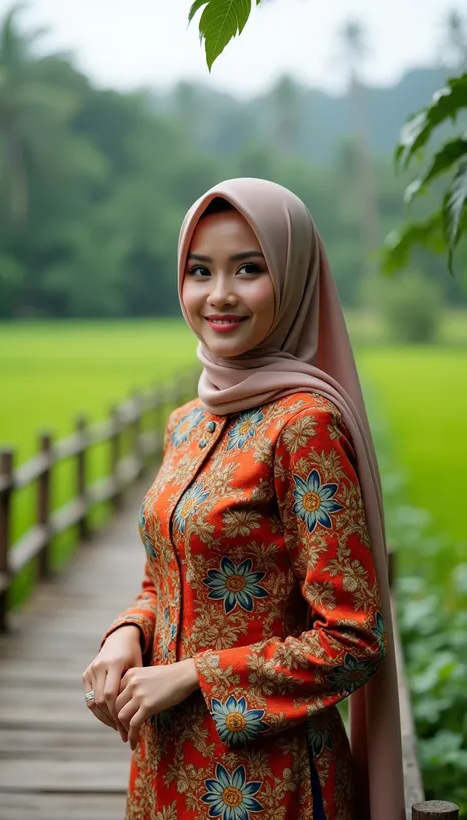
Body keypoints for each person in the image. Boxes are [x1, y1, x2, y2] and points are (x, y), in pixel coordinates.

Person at [82, 178, 405, 820]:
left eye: (248, 269)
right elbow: (167, 581)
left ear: (291, 279)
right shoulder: (187, 421)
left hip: (265, 784)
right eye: (199, 271)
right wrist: (126, 633)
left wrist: (195, 674)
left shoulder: (303, 426)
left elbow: (353, 639)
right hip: (162, 767)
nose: (219, 294)